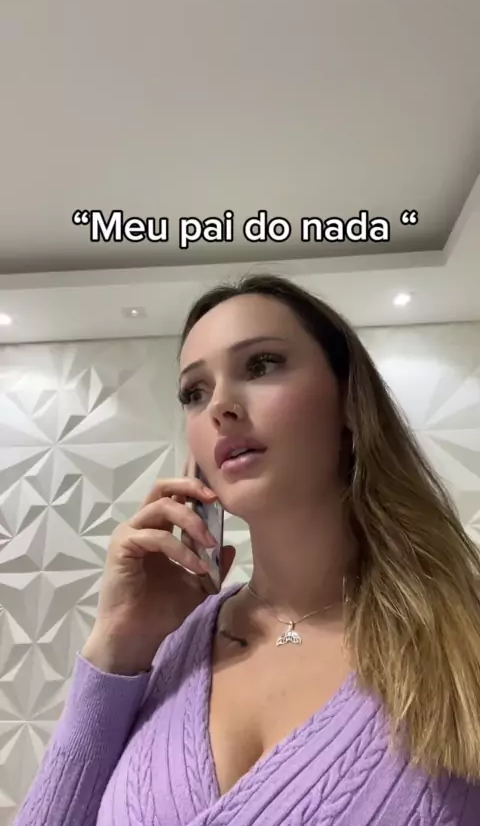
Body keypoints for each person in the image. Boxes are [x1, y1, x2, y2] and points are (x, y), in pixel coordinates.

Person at [15, 273, 480, 825]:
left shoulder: (463, 643)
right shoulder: (177, 646)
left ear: (349, 403)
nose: (220, 406)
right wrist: (117, 648)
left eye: (261, 365)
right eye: (194, 392)